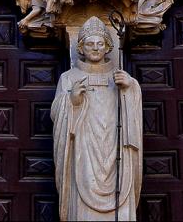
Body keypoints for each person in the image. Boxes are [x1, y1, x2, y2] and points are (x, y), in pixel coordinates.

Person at [52, 16, 142, 221]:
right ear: (81, 48)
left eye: (100, 44)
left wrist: (129, 87)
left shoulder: (121, 77)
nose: (95, 48)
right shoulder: (68, 77)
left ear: (108, 47)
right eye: (90, 44)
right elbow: (57, 113)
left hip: (117, 148)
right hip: (82, 153)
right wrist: (72, 100)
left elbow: (134, 114)